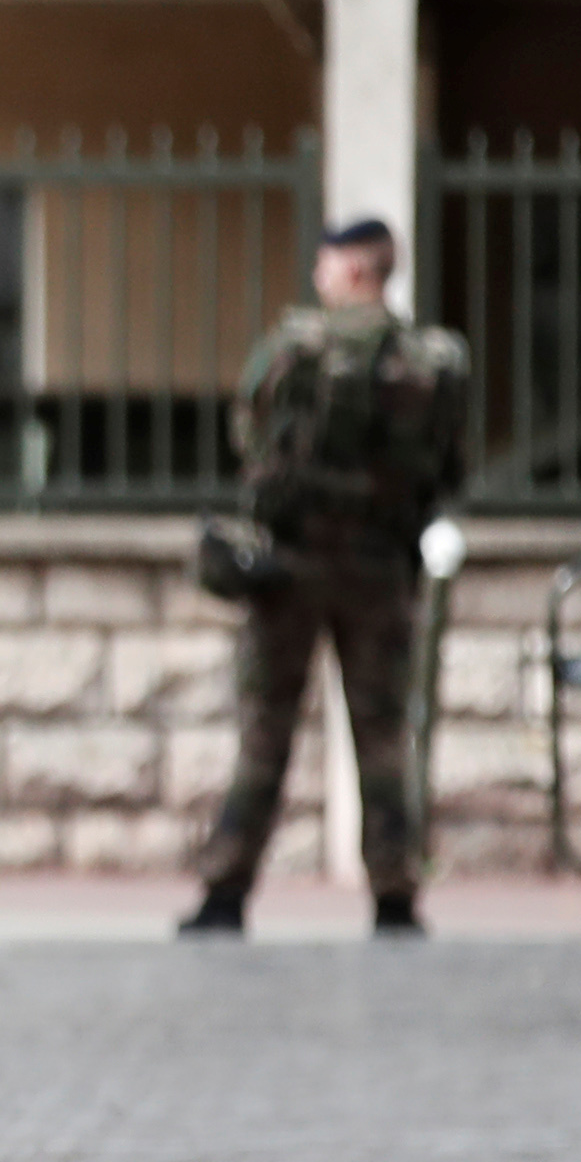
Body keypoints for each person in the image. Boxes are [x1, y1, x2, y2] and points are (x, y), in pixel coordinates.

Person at [179, 218, 468, 938]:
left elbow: (249, 432)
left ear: (351, 269)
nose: (319, 272)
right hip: (380, 569)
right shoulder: (429, 361)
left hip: (290, 569)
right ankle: (395, 896)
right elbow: (449, 465)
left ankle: (226, 892)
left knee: (265, 734)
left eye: (327, 260)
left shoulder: (293, 348)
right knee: (383, 738)